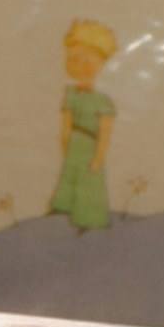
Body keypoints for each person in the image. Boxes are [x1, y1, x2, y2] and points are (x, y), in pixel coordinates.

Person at [46, 18, 117, 232]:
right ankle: (62, 211)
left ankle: (88, 221)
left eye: (90, 60)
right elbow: (66, 125)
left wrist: (98, 157)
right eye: (75, 59)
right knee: (68, 177)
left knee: (89, 181)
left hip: (89, 145)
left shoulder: (102, 102)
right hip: (74, 145)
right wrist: (65, 145)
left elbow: (105, 134)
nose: (83, 65)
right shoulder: (70, 95)